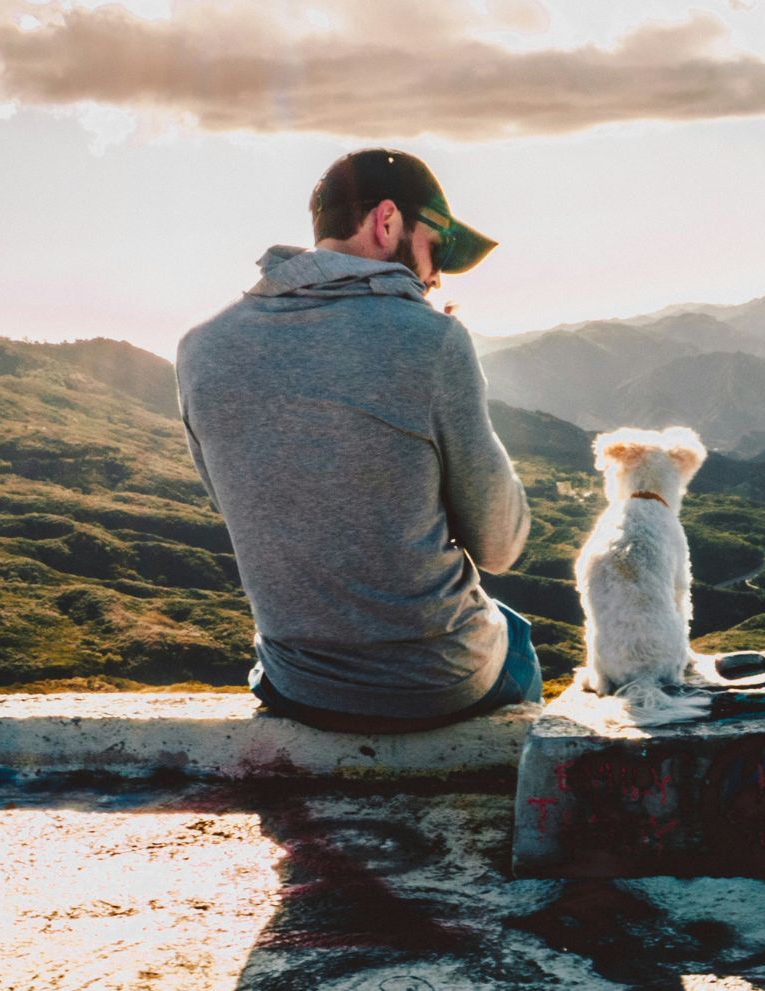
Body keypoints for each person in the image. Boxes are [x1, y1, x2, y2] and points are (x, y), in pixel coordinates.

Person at [175, 148, 539, 733]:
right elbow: (499, 545)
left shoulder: (200, 347)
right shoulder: (433, 340)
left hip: (297, 683)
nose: (435, 275)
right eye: (435, 248)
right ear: (387, 222)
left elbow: (245, 504)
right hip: (434, 681)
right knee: (514, 635)